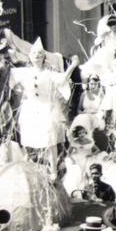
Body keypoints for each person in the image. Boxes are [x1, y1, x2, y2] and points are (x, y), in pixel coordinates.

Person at [9, 38, 73, 175]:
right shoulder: (24, 72)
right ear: (30, 56)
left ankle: (53, 170)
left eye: (39, 54)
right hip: (30, 108)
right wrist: (20, 90)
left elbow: (62, 80)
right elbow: (11, 79)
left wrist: (73, 65)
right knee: (28, 138)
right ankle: (28, 165)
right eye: (33, 54)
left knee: (49, 139)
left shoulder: (50, 73)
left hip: (46, 108)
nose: (36, 56)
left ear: (43, 56)